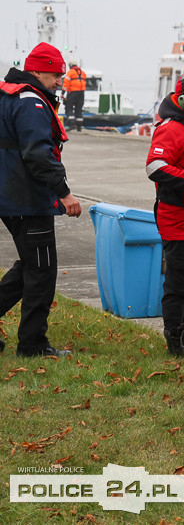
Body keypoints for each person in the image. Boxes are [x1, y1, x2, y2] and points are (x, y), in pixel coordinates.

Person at [0, 42, 81, 356]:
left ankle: (32, 340)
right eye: (54, 74)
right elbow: (38, 154)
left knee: (30, 266)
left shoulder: (8, 94)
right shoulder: (31, 101)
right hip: (27, 199)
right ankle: (33, 344)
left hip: (11, 197)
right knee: (42, 270)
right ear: (35, 71)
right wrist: (64, 192)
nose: (60, 80)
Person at [146, 74, 184, 360]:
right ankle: (176, 340)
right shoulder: (171, 128)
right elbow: (155, 167)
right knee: (179, 284)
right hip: (178, 220)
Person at [62, 63, 86, 132]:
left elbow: (66, 83)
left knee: (68, 107)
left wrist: (63, 93)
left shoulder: (70, 72)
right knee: (79, 109)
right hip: (81, 93)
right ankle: (79, 127)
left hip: (73, 92)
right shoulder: (82, 72)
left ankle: (72, 125)